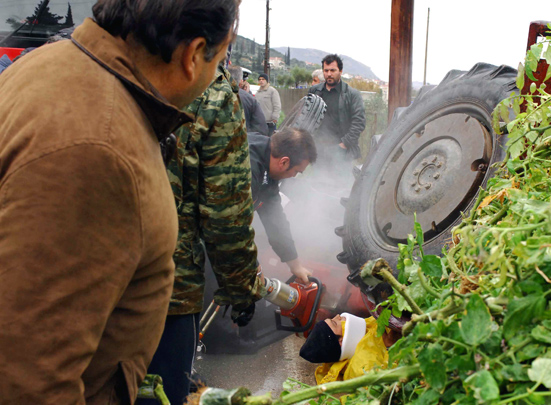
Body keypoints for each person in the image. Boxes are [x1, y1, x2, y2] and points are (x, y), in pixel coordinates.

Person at [0, 0, 240, 403]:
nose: (219, 72)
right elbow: (30, 379)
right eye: (222, 56)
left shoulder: (56, 64)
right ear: (194, 54)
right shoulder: (100, 148)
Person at [143, 62, 265, 404]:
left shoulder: (76, 63)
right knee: (159, 392)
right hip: (163, 285)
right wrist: (241, 289)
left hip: (68, 281)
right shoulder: (208, 91)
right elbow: (225, 215)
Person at [248, 128, 318, 284]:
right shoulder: (246, 167)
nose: (294, 176)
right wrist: (253, 266)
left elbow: (276, 221)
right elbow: (232, 228)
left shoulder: (268, 162)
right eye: (296, 172)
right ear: (284, 162)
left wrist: (295, 265)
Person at [300, 313, 401, 384]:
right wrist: (390, 347)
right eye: (334, 322)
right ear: (340, 341)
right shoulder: (359, 369)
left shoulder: (365, 329)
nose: (337, 316)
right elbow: (387, 385)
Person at [308, 54, 366, 161]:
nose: (329, 74)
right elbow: (307, 117)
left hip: (342, 152)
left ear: (340, 71)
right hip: (319, 150)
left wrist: (344, 144)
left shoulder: (352, 94)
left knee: (341, 178)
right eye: (326, 71)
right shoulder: (314, 91)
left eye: (333, 70)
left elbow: (359, 122)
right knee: (318, 178)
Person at [228, 65, 268, 135]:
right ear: (240, 82)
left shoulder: (213, 95)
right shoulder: (250, 100)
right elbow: (260, 129)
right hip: (243, 142)